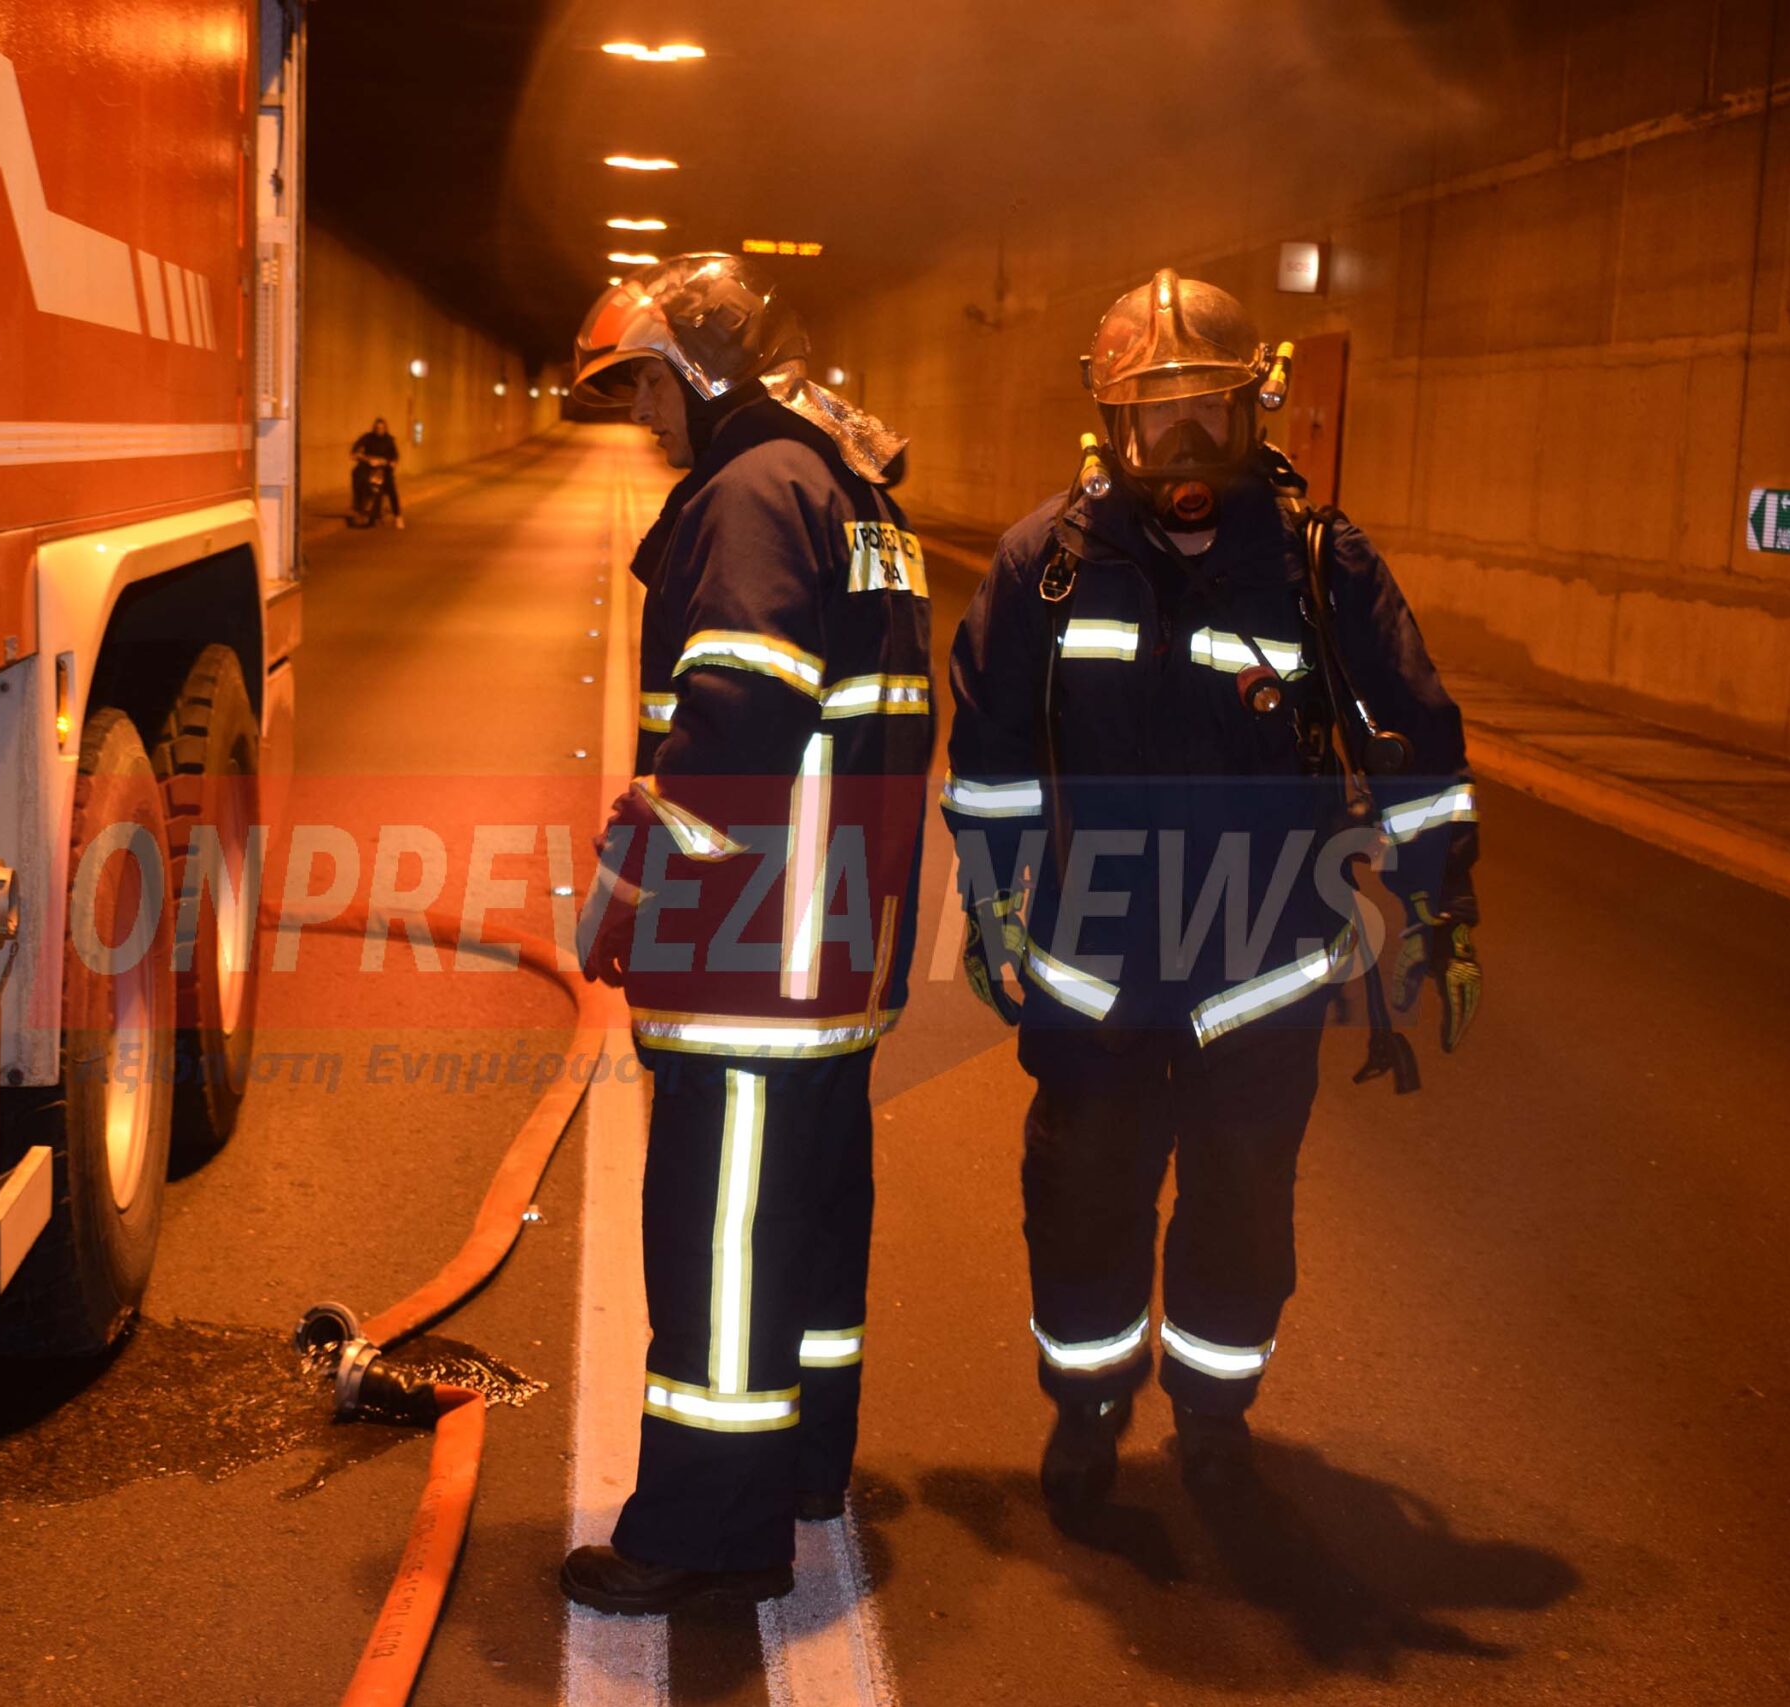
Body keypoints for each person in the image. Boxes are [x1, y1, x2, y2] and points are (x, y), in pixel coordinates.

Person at [941, 269, 1482, 1508]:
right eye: (1153, 417)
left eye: (1206, 414)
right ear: (1107, 422)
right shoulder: (1047, 567)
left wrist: (1441, 902)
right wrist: (991, 902)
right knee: (1084, 1203)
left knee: (1241, 1210)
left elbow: (1413, 745)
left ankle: (1213, 1418)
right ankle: (1085, 1409)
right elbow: (989, 760)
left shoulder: (1315, 566)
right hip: (1095, 973)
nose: (1179, 446)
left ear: (1259, 412)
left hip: (1264, 966)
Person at [560, 254, 934, 1612]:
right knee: (814, 1233)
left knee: (722, 1245)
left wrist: (631, 882)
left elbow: (738, 721)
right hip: (839, 952)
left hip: (753, 956)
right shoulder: (850, 491)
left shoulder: (753, 493)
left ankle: (709, 1528)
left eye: (649, 385)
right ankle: (803, 1463)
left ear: (703, 368)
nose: (646, 418)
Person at [351, 416, 402, 527]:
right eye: (377, 428)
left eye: (382, 428)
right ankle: (358, 509)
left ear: (385, 428)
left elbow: (395, 456)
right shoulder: (368, 437)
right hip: (369, 467)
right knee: (358, 477)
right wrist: (361, 456)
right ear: (374, 428)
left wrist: (390, 462)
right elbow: (356, 448)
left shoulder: (389, 440)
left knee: (391, 489)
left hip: (384, 469)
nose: (379, 430)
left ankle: (398, 516)